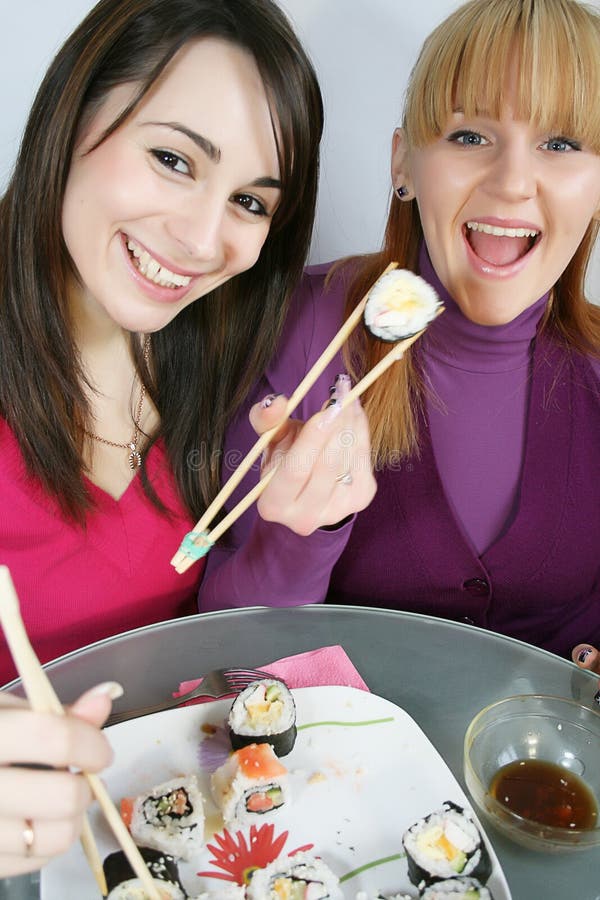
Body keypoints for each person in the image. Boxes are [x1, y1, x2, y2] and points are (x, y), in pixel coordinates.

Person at [0, 0, 376, 875]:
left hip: (160, 824)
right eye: (173, 159)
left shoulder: (220, 354)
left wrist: (294, 530)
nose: (205, 241)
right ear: (70, 114)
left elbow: (220, 640)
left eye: (249, 200)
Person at [198, 0, 600, 670]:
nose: (512, 183)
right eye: (470, 137)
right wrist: (299, 537)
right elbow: (227, 653)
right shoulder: (306, 325)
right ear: (403, 165)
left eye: (561, 144)